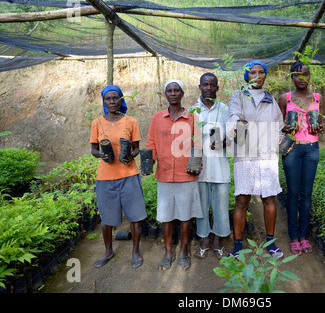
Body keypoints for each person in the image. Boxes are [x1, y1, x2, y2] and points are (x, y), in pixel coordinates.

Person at [227, 60, 285, 258]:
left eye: (261, 72)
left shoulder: (271, 99)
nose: (257, 76)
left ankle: (270, 242)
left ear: (265, 76)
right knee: (242, 200)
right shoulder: (238, 95)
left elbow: (279, 125)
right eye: (253, 73)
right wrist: (234, 126)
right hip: (245, 155)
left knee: (269, 199)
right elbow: (233, 115)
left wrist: (279, 142)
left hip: (267, 157)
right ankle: (237, 245)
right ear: (247, 76)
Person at [146, 79, 203, 270]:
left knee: (185, 216)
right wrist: (149, 163)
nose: (173, 93)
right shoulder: (157, 117)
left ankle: (184, 252)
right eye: (169, 91)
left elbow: (198, 143)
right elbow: (151, 143)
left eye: (176, 90)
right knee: (166, 216)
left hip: (186, 174)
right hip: (164, 175)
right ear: (165, 94)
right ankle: (168, 252)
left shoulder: (192, 117)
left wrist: (196, 164)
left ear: (182, 94)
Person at [90, 85, 147, 269]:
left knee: (135, 216)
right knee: (107, 219)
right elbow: (93, 150)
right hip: (105, 177)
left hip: (128, 174)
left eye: (116, 98)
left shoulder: (131, 121)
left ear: (121, 100)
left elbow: (137, 147)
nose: (113, 101)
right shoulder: (97, 122)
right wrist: (101, 155)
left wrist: (131, 155)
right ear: (104, 101)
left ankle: (136, 251)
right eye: (109, 99)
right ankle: (108, 251)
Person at [278, 60, 325, 255]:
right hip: (292, 150)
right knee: (293, 192)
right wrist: (285, 128)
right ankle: (294, 236)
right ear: (292, 77)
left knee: (307, 194)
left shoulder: (317, 97)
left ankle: (304, 235)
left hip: (312, 149)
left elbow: (322, 121)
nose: (301, 78)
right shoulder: (285, 98)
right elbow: (279, 125)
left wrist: (320, 126)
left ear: (309, 76)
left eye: (305, 74)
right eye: (297, 75)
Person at [191, 73, 231, 260]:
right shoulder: (192, 110)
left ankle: (217, 241)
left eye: (212, 85)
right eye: (205, 84)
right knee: (201, 207)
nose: (208, 88)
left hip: (220, 167)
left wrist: (224, 142)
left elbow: (237, 136)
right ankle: (204, 241)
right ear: (199, 86)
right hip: (199, 167)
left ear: (217, 87)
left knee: (220, 207)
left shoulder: (225, 110)